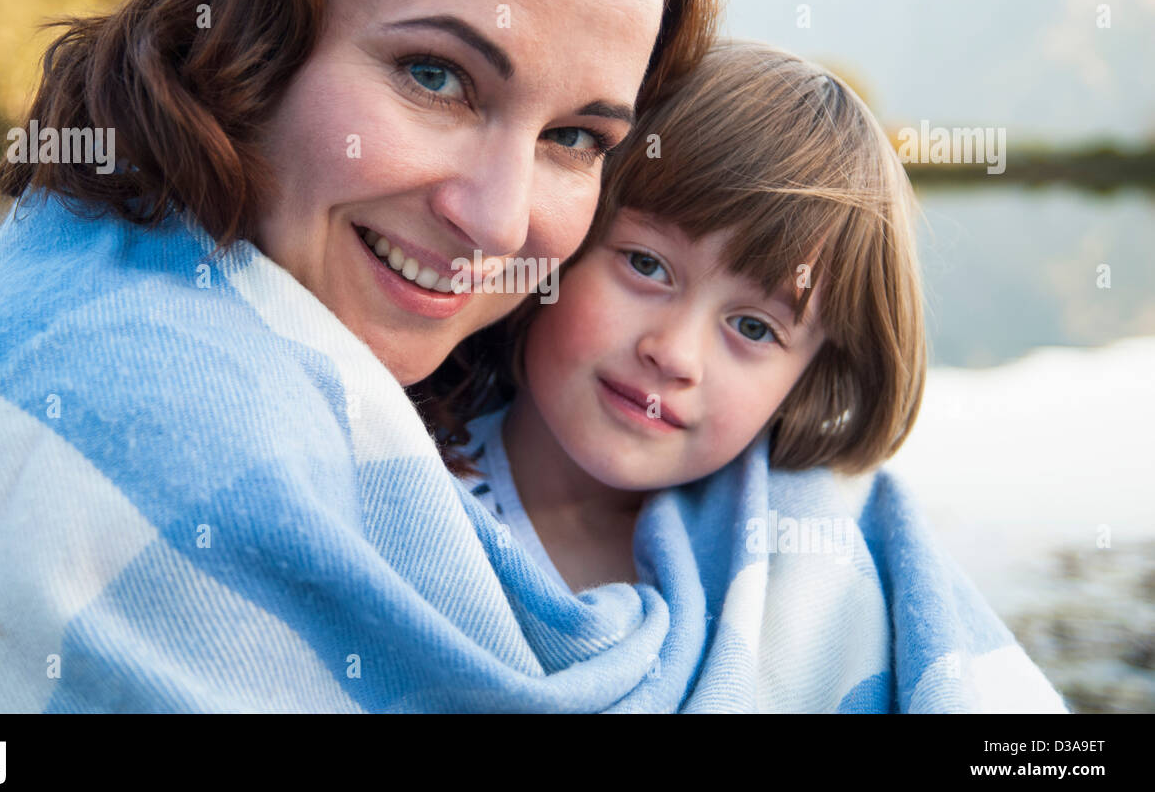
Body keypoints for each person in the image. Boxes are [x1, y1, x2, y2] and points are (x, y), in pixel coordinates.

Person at [0, 0, 725, 712]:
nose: (499, 220)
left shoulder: (113, 269)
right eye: (436, 76)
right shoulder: (155, 416)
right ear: (253, 29)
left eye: (576, 139)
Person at [409, 41, 1071, 711]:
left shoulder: (817, 557)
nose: (675, 354)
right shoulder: (396, 474)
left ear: (807, 375)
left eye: (754, 328)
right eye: (646, 264)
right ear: (571, 232)